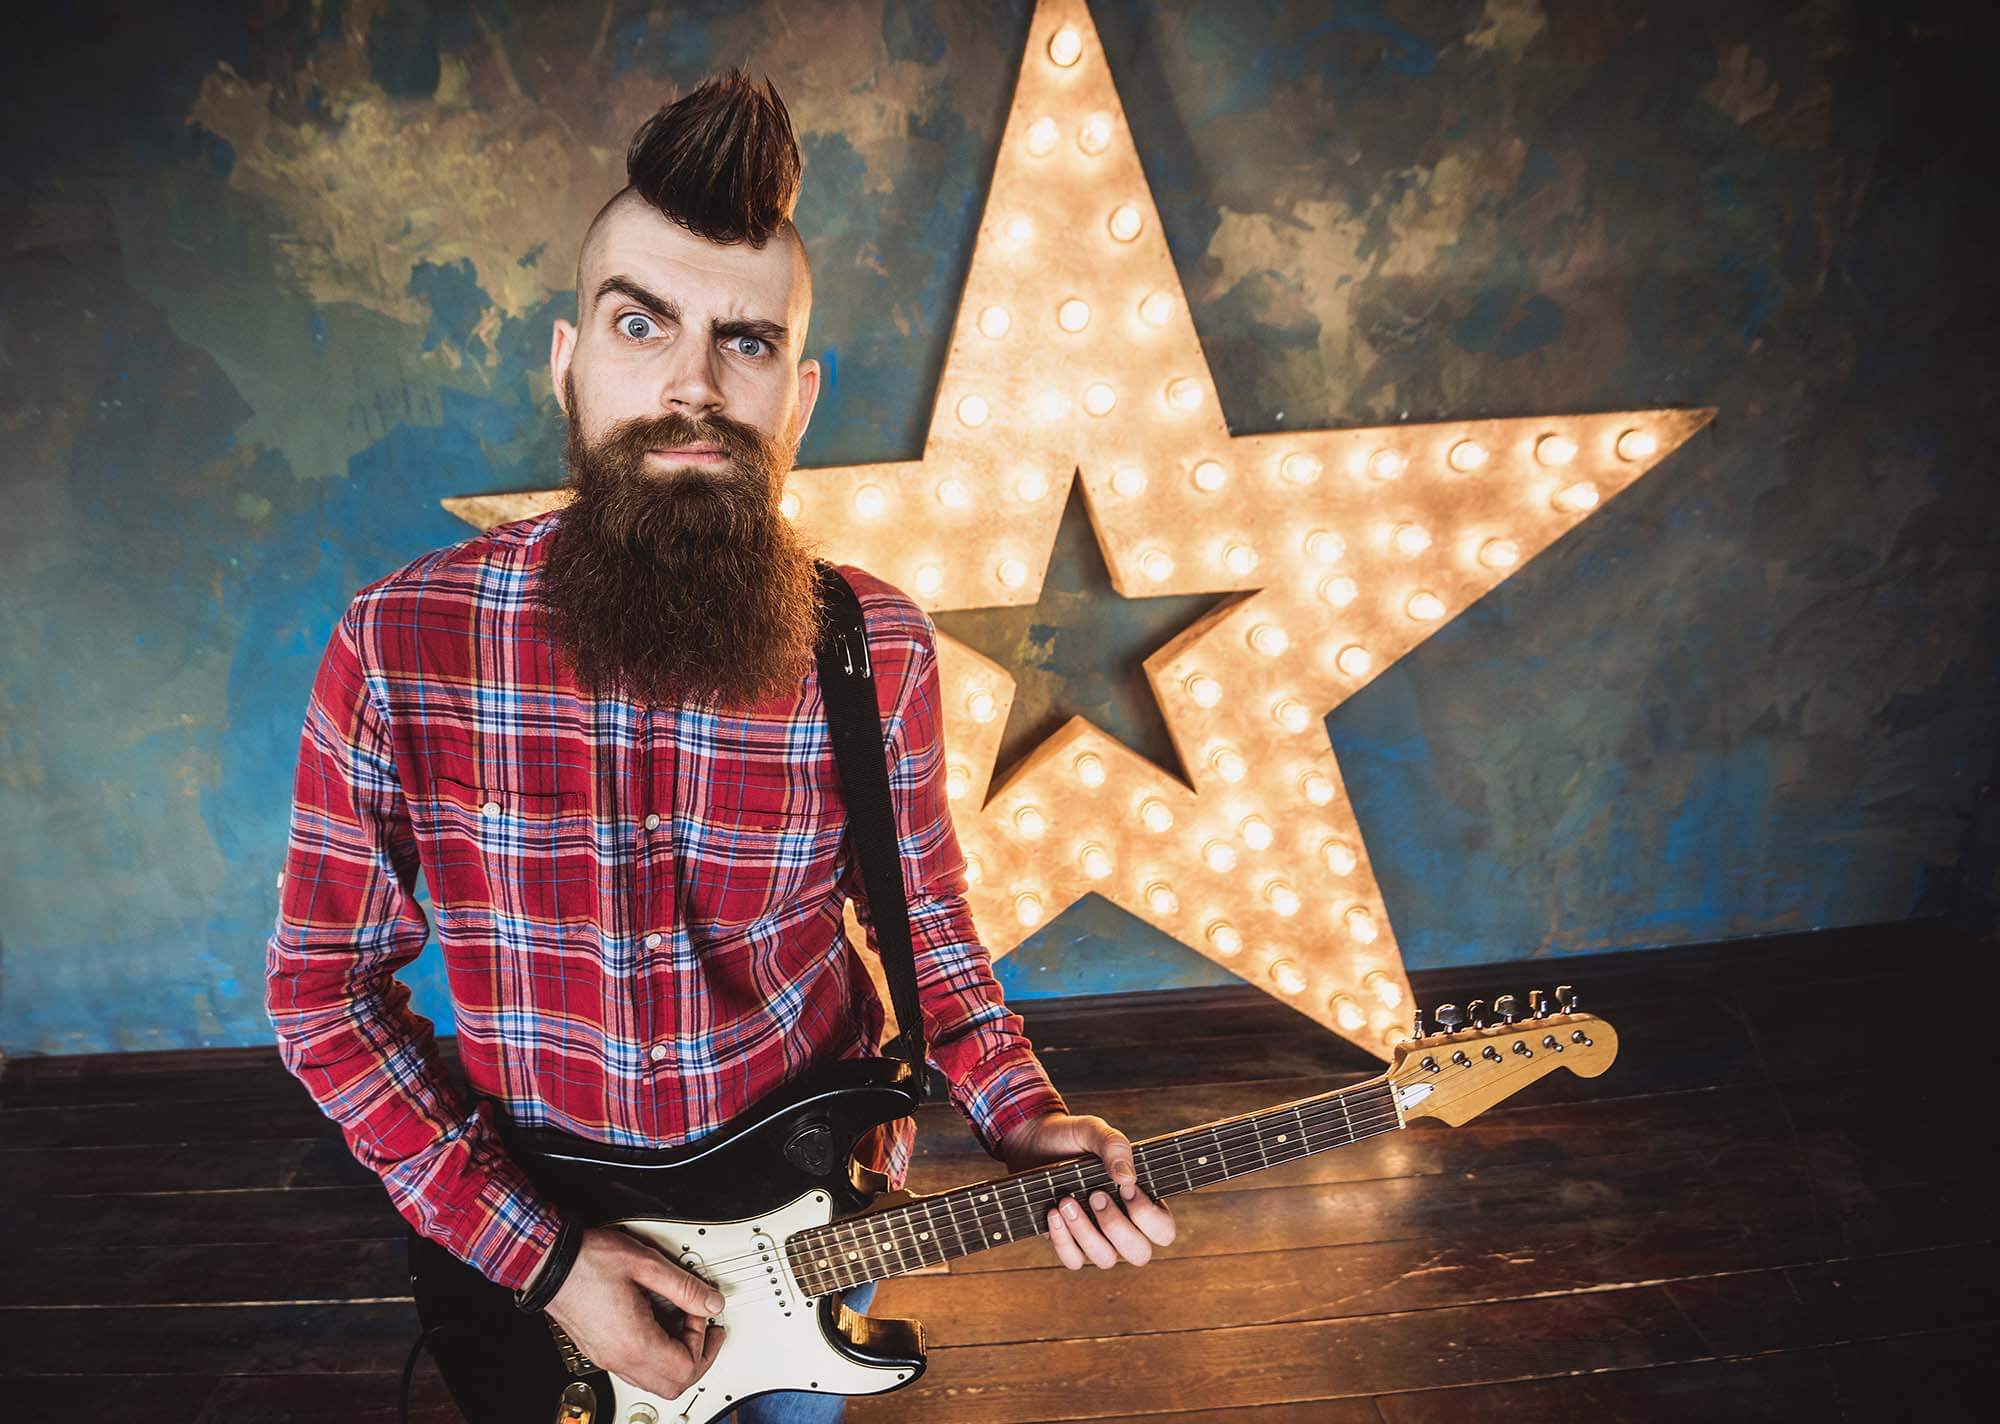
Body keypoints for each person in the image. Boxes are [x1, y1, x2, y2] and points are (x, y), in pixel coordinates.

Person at [265, 69, 1174, 1422]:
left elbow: (921, 924)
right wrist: (551, 1258)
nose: (692, 382)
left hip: (814, 1226)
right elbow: (321, 994)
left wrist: (1023, 1112)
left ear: (795, 402)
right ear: (569, 365)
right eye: (642, 324)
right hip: (537, 1230)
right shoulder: (400, 646)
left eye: (743, 342)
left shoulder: (876, 650)